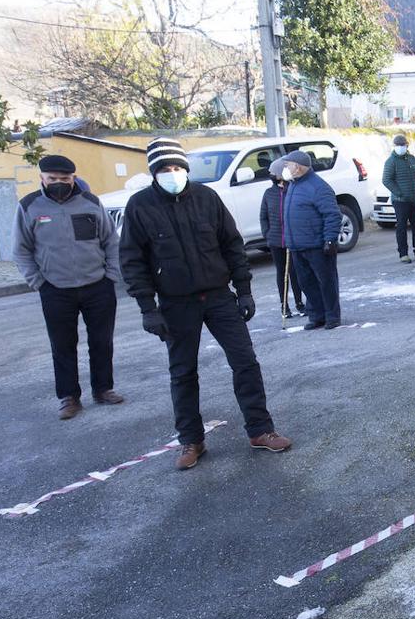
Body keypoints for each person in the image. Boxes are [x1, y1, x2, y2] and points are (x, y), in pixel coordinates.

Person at [120, 137, 293, 469]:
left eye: (177, 168)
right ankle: (191, 440)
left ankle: (261, 430)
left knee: (245, 362)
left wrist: (243, 290)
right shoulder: (140, 206)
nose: (172, 174)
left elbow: (232, 245)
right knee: (183, 373)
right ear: (154, 172)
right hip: (175, 303)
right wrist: (148, 308)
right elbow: (132, 260)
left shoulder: (206, 197)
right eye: (164, 169)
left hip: (218, 297)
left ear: (185, 169)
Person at [13, 154, 125, 420]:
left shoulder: (91, 203)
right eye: (52, 179)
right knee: (62, 345)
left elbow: (111, 241)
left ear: (74, 177)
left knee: (102, 341)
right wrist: (38, 282)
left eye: (65, 178)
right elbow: (21, 250)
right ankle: (69, 397)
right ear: (42, 178)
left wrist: (111, 274)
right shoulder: (29, 206)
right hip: (55, 288)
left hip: (98, 285)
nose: (59, 183)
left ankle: (103, 389)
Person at [280, 150, 343, 331]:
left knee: (326, 282)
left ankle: (332, 316)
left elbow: (332, 215)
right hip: (298, 245)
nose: (286, 168)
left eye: (288, 165)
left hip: (316, 244)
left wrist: (330, 240)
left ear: (297, 167)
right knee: (306, 283)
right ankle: (316, 315)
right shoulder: (293, 185)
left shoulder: (318, 187)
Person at [258, 156, 305, 319]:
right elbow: (263, 215)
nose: (270, 174)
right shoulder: (268, 193)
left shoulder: (292, 189)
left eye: (273, 172)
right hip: (276, 241)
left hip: (292, 240)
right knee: (281, 273)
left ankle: (300, 303)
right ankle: (284, 306)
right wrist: (267, 234)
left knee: (295, 272)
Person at [381, 134, 415, 263]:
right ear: (395, 146)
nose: (401, 147)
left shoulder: (412, 159)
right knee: (401, 227)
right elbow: (386, 180)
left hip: (414, 198)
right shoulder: (391, 161)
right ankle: (403, 253)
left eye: (403, 145)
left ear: (407, 145)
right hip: (400, 201)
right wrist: (399, 193)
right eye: (399, 145)